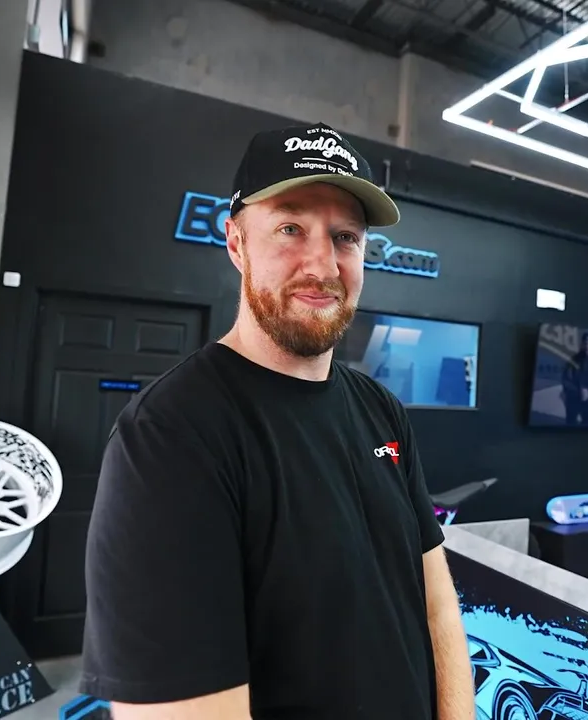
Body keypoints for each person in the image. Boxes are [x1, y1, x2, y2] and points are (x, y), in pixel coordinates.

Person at [79, 122, 475, 720]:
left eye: (345, 237)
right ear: (236, 243)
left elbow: (436, 603)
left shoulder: (381, 410)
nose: (323, 264)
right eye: (291, 228)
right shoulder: (171, 437)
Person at [561, 333, 588, 426]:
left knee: (586, 423)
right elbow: (565, 379)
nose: (587, 346)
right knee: (570, 423)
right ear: (581, 345)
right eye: (585, 343)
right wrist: (580, 391)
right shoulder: (573, 360)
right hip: (573, 399)